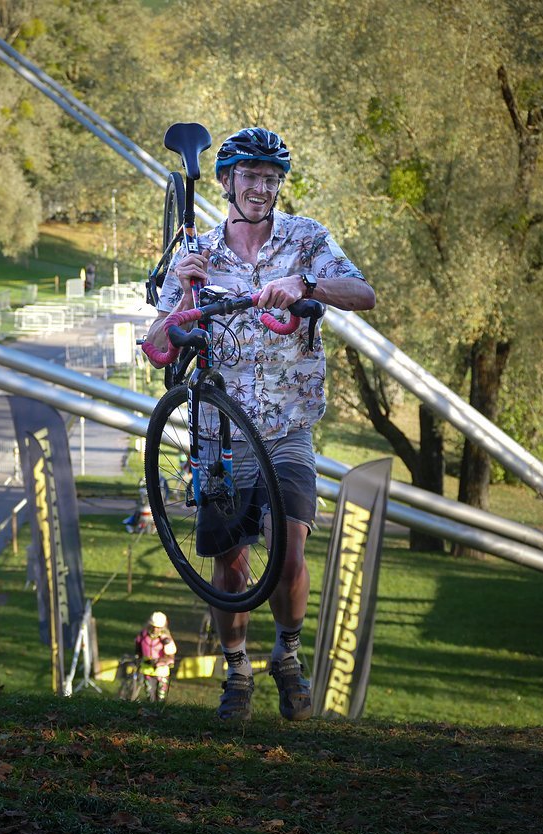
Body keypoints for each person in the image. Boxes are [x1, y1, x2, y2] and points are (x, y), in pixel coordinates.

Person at [143, 127, 376, 722]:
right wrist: (181, 298)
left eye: (272, 179)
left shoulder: (305, 238)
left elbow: (362, 292)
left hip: (288, 423)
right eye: (250, 177)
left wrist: (305, 284)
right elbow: (157, 347)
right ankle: (237, 667)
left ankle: (289, 657)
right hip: (220, 433)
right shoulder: (198, 253)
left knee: (288, 544)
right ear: (225, 182)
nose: (262, 189)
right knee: (232, 562)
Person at [134, 611, 178, 702]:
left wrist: (162, 661)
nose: (155, 630)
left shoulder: (165, 639)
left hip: (162, 672)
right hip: (147, 670)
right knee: (150, 697)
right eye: (153, 627)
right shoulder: (143, 635)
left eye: (158, 628)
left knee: (161, 698)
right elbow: (138, 649)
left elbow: (171, 656)